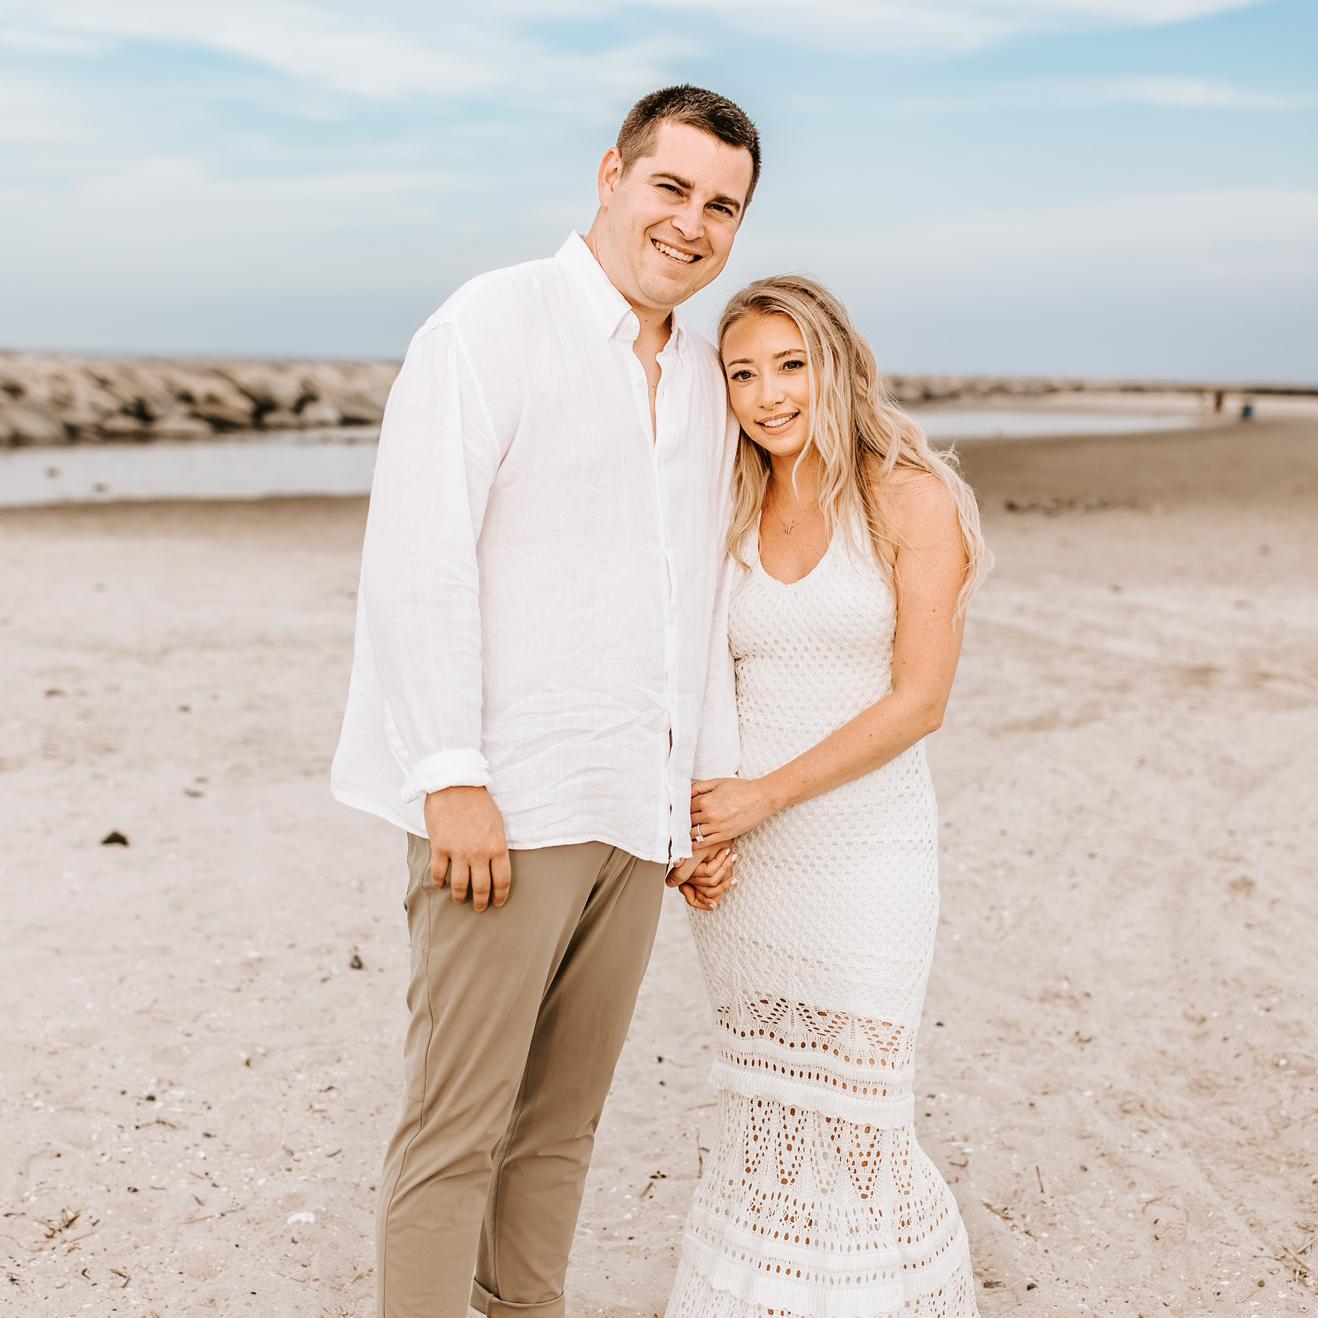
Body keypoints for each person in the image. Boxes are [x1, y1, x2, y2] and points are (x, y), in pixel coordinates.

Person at [330, 85, 758, 1318]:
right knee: (454, 1127)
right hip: (505, 805)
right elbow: (417, 558)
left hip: (634, 806)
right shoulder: (490, 324)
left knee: (563, 1128)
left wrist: (699, 794)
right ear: (612, 174)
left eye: (721, 206)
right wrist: (448, 774)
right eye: (670, 187)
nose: (690, 223)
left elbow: (697, 600)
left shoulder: (701, 380)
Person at [664, 276, 991, 1316]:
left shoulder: (909, 496)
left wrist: (764, 796)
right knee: (762, 1109)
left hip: (866, 848)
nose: (768, 395)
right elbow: (696, 679)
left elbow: (920, 700)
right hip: (744, 859)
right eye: (742, 373)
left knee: (860, 1110)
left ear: (837, 364)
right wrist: (692, 827)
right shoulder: (724, 505)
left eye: (789, 365)